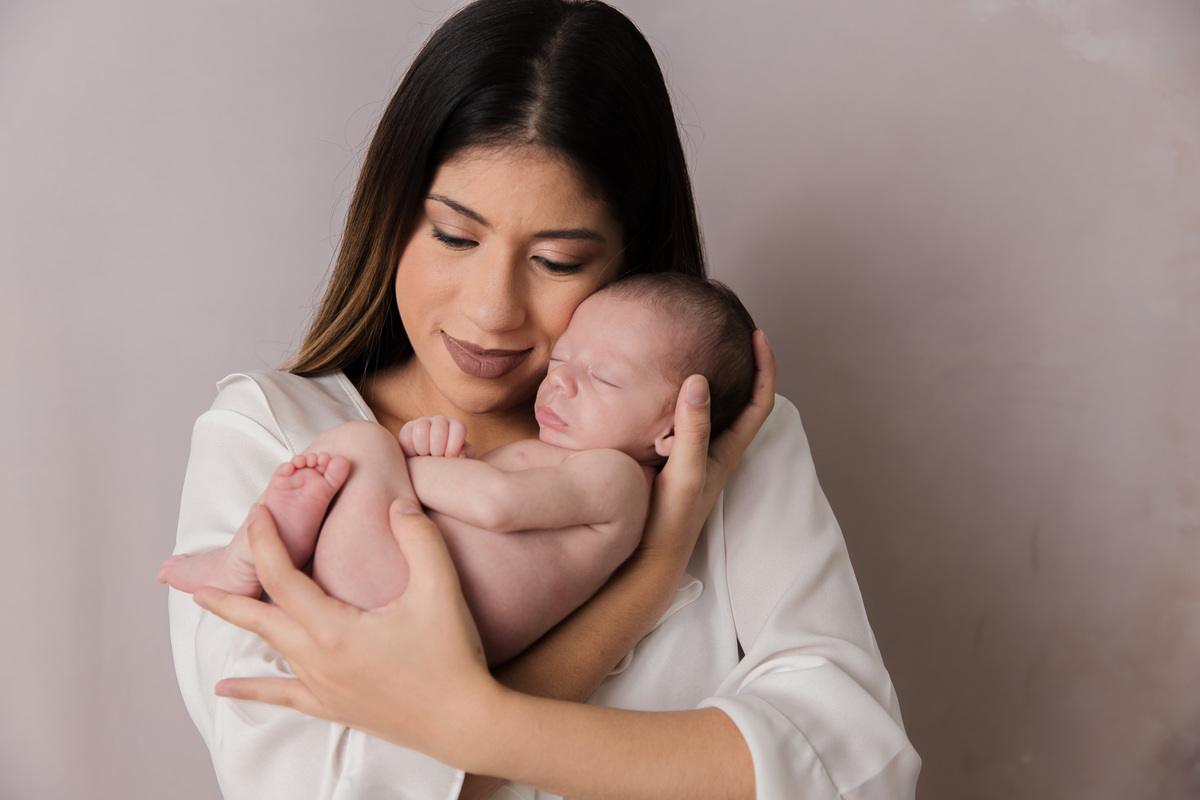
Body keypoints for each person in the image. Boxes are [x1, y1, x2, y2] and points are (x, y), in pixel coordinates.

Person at [167, 0, 921, 798]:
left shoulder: (715, 442)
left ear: (629, 261)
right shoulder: (274, 439)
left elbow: (857, 765)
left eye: (557, 260)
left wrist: (471, 728)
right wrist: (646, 580)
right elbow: (305, 786)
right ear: (390, 217)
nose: (493, 309)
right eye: (456, 236)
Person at [161, 274, 756, 666]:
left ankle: (246, 560)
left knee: (362, 443)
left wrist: (401, 461)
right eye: (565, 357)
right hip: (392, 600)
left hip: (406, 609)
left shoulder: (619, 480)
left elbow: (496, 506)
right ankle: (262, 559)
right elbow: (479, 510)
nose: (561, 381)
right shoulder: (565, 465)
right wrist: (448, 457)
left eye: (603, 377)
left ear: (673, 430)